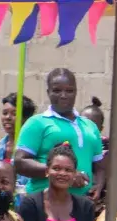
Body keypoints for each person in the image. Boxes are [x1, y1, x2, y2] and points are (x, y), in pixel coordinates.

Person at [14, 68, 105, 201]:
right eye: (57, 90)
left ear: (76, 92)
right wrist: (65, 174)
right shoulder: (37, 123)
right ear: (48, 92)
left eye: (69, 91)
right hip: (44, 202)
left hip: (81, 204)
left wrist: (98, 185)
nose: (63, 95)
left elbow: (99, 166)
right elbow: (20, 162)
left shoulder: (90, 126)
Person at [0, 92, 35, 192]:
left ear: (26, 119)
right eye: (5, 113)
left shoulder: (32, 148)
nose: (7, 117)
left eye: (14, 114)